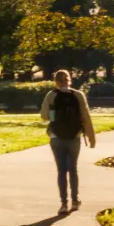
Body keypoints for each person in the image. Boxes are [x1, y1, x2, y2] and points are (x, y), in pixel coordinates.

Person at [39, 69, 96, 212]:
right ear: (69, 80)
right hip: (74, 137)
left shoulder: (51, 95)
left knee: (61, 170)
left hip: (56, 137)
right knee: (73, 169)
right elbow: (86, 117)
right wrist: (91, 137)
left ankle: (63, 203)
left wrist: (54, 116)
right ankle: (75, 201)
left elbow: (44, 116)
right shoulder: (78, 95)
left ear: (56, 81)